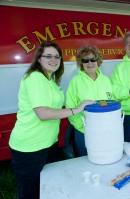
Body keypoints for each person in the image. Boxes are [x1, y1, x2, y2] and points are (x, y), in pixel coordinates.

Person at [9, 41, 95, 199]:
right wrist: (76, 110)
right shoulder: (35, 78)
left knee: (47, 188)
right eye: (48, 56)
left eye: (57, 56)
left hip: (48, 143)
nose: (53, 59)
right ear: (39, 59)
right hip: (30, 146)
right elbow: (42, 113)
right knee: (31, 192)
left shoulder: (50, 79)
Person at [66, 46, 113, 156]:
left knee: (105, 155)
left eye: (93, 59)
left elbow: (111, 102)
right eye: (85, 60)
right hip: (84, 131)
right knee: (86, 159)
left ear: (98, 61)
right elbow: (70, 106)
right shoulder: (75, 81)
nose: (90, 63)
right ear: (81, 63)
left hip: (105, 129)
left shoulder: (106, 80)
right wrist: (82, 126)